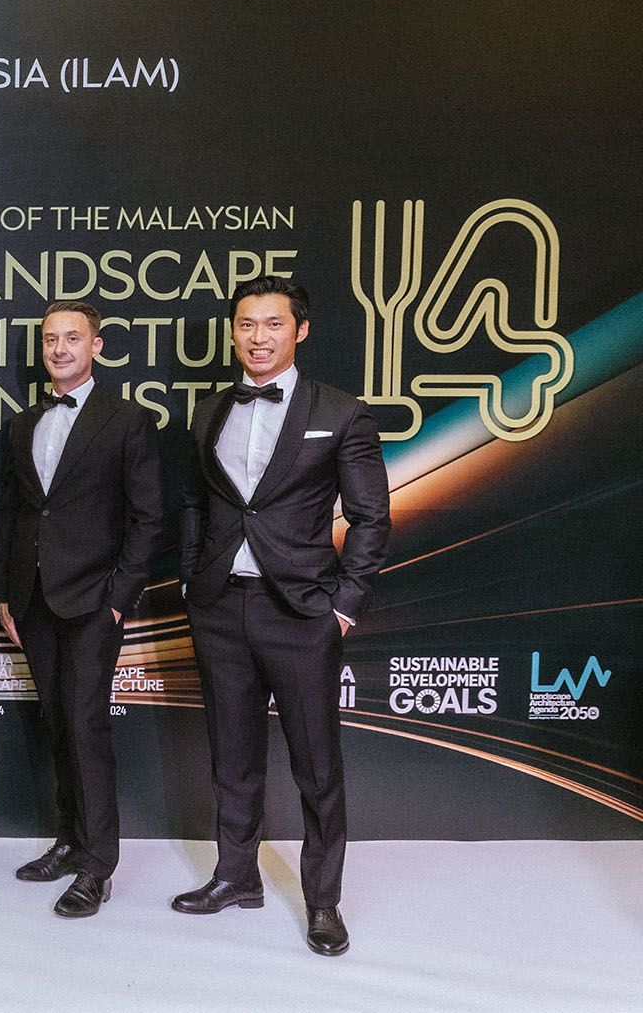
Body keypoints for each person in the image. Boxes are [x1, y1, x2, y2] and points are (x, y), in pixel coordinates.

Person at [174, 276, 391, 957]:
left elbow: (370, 516)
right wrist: (191, 579)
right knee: (231, 757)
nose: (257, 336)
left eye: (271, 323)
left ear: (299, 329)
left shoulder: (341, 411)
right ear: (233, 331)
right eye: (246, 324)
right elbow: (196, 504)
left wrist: (345, 607)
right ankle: (236, 875)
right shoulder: (208, 410)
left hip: (302, 612)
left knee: (316, 765)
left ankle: (323, 901)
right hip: (220, 608)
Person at [0, 300, 164, 918]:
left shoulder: (126, 421)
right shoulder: (23, 423)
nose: (59, 349)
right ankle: (69, 840)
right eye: (50, 339)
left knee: (86, 725)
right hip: (33, 601)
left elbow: (147, 518)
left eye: (72, 338)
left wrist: (120, 598)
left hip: (94, 600)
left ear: (96, 346)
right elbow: (13, 512)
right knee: (58, 722)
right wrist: (6, 594)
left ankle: (98, 865)